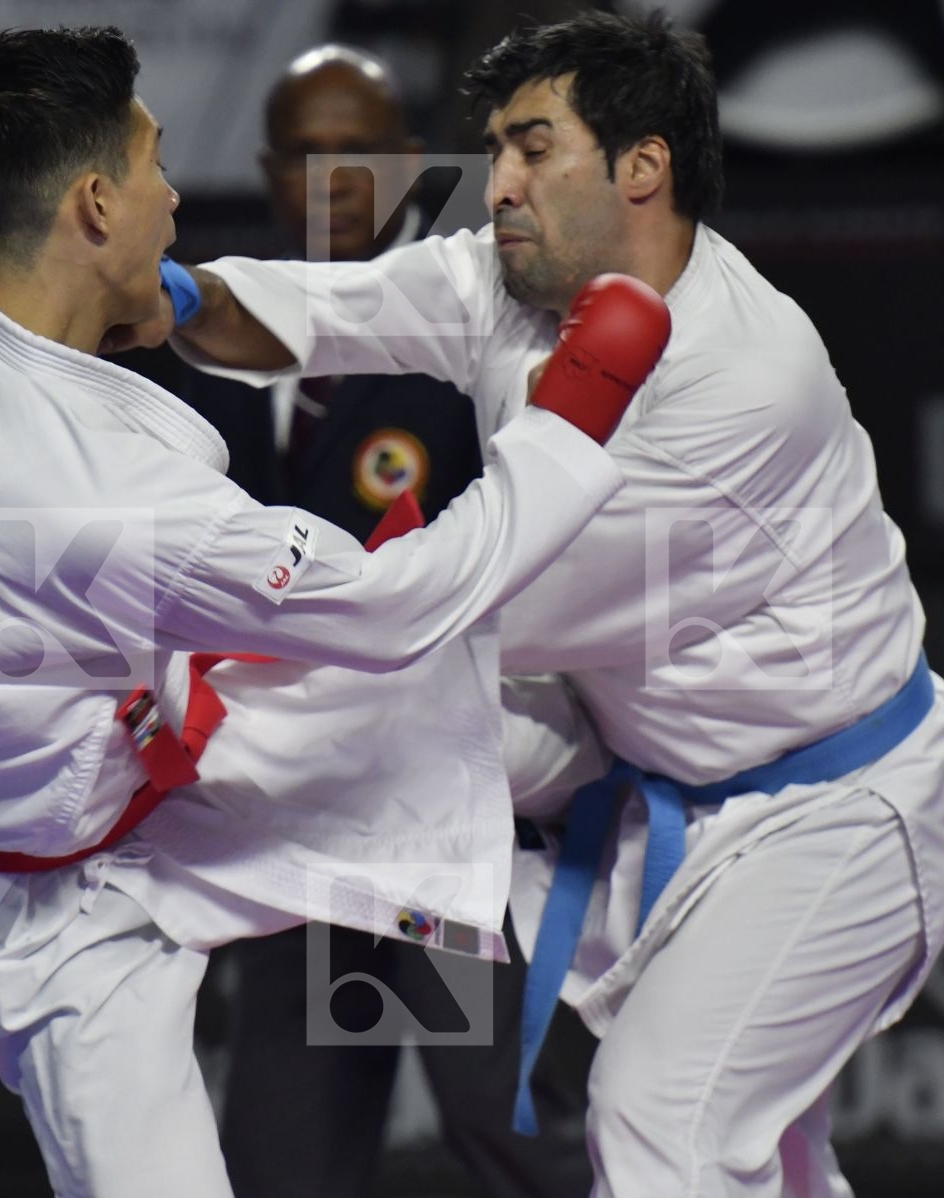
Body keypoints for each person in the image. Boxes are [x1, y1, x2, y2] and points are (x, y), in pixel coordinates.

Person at [0, 26, 672, 1197]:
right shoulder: (108, 497)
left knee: (433, 751)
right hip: (80, 892)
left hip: (97, 754)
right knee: (414, 685)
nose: (177, 195)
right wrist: (572, 418)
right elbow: (403, 606)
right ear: (94, 205)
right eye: (151, 166)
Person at [107, 11, 944, 1196]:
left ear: (641, 167)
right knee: (770, 1161)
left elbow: (458, 603)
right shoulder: (510, 277)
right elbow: (319, 311)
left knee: (664, 1125)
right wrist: (160, 290)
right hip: (665, 775)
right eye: (497, 149)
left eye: (530, 148)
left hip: (838, 813)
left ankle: (126, 801)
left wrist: (211, 665)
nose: (498, 181)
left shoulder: (738, 386)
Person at [173, 44, 591, 1198]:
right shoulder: (201, 346)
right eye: (306, 154)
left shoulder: (482, 327)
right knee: (279, 1162)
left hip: (441, 825)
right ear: (268, 171)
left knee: (506, 1131)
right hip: (287, 834)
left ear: (409, 165)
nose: (332, 178)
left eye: (358, 153)